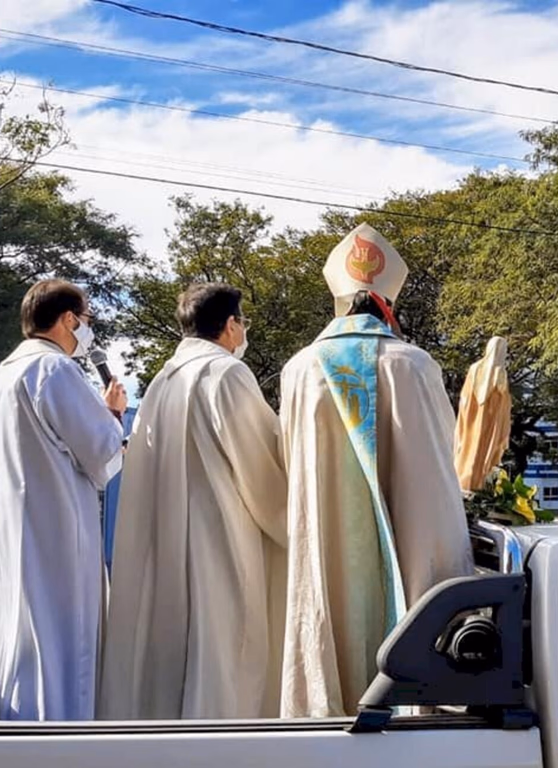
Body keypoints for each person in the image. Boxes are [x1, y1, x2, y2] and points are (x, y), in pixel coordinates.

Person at [278, 223, 473, 718]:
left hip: (326, 539)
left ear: (339, 304)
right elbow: (440, 468)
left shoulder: (299, 368)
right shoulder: (413, 364)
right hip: (406, 548)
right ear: (389, 306)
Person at [99, 284, 288, 720]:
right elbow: (261, 464)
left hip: (160, 545)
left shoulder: (162, 381)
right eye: (243, 322)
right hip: (217, 539)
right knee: (221, 650)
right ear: (230, 325)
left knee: (170, 658)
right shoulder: (226, 373)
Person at [0, 280, 126, 720]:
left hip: (17, 528)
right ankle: (62, 741)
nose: (87, 330)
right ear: (69, 319)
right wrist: (112, 415)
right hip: (59, 530)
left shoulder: (6, 372)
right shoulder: (54, 371)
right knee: (64, 641)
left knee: (23, 638)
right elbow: (102, 452)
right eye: (86, 320)